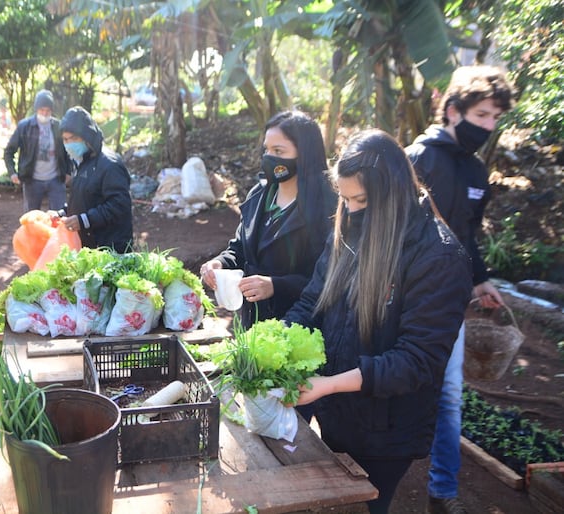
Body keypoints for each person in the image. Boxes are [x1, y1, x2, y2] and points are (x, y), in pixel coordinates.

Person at [283, 129, 473, 514]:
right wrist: (278, 340)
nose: (351, 210)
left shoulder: (438, 256)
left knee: (369, 502)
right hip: (338, 412)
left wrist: (331, 384)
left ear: (392, 194)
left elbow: (417, 360)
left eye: (362, 200)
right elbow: (312, 302)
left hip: (388, 429)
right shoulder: (349, 232)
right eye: (345, 198)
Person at [406, 65, 515, 514]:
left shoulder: (476, 171)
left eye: (495, 118)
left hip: (450, 304)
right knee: (388, 384)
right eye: (483, 114)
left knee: (449, 396)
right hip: (405, 297)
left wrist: (481, 279)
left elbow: (468, 235)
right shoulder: (415, 158)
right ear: (453, 111)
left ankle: (442, 491)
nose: (489, 126)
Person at [199, 110, 336, 329]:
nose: (269, 158)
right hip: (254, 321)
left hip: (299, 324)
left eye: (278, 151)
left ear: (304, 154)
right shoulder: (260, 194)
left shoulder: (328, 205)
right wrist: (221, 262)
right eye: (267, 150)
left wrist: (276, 286)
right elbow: (240, 247)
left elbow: (330, 276)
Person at [50, 106, 133, 253]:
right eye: (65, 139)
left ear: (87, 136)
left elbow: (119, 205)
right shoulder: (83, 161)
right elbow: (83, 199)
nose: (69, 144)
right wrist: (62, 213)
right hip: (90, 246)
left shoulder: (110, 164)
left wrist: (83, 220)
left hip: (110, 248)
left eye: (74, 138)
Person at [4, 89, 71, 212]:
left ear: (52, 111)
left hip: (55, 179)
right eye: (42, 110)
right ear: (36, 109)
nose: (45, 113)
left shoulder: (59, 127)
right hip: (32, 180)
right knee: (31, 219)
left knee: (60, 217)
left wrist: (68, 171)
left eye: (48, 110)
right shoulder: (24, 127)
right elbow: (9, 151)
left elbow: (68, 150)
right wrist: (12, 172)